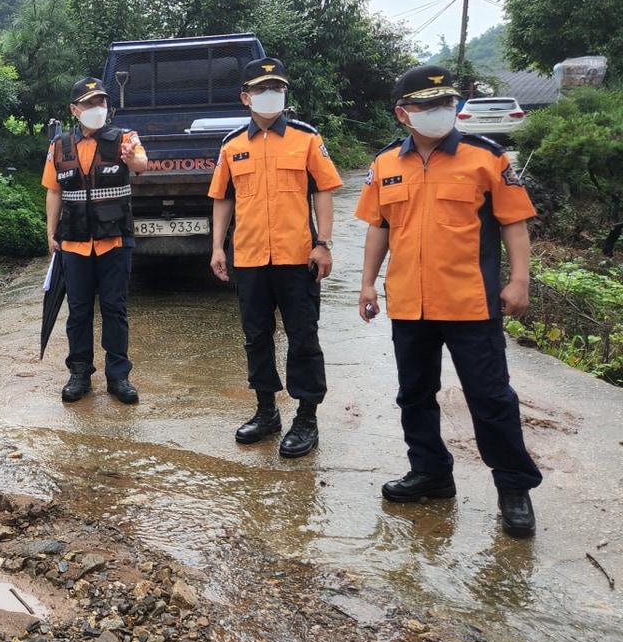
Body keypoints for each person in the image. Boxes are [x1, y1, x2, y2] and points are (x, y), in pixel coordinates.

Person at [355, 64, 541, 537]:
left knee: (491, 397)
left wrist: (519, 280)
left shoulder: (488, 157)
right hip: (410, 305)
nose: (441, 112)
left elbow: (514, 223)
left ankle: (513, 488)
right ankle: (432, 473)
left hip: (471, 303)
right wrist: (368, 283)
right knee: (414, 395)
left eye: (446, 103)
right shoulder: (384, 165)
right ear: (403, 114)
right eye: (427, 105)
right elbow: (379, 228)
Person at [208, 56, 342, 456]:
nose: (271, 96)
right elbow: (222, 198)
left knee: (303, 337)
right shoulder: (232, 144)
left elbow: (323, 190)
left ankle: (306, 418)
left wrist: (324, 243)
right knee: (256, 337)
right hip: (249, 258)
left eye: (277, 89)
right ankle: (266, 411)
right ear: (245, 97)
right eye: (262, 90)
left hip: (297, 256)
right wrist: (217, 246)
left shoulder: (306, 138)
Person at [43, 76, 148, 404]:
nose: (96, 109)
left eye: (100, 102)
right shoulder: (58, 147)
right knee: (78, 311)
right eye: (89, 104)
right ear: (75, 110)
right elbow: (53, 191)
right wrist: (50, 234)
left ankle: (119, 377)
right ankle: (79, 373)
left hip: (114, 241)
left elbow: (142, 164)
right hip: (74, 243)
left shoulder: (125, 139)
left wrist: (132, 159)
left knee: (115, 310)